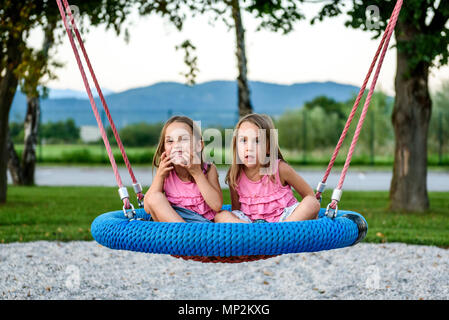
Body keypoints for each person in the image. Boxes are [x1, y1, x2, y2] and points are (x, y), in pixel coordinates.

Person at [214, 113, 320, 223]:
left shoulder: (280, 168)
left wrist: (308, 215)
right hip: (250, 224)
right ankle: (253, 233)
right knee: (220, 216)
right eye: (243, 140)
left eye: (257, 141)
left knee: (312, 202)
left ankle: (281, 232)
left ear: (268, 148)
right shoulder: (235, 175)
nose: (249, 147)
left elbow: (309, 195)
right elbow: (237, 211)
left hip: (285, 219)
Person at [144, 116, 223, 222]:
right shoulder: (166, 172)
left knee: (225, 215)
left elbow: (217, 205)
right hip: (176, 225)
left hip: (203, 225)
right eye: (170, 141)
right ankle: (185, 234)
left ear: (199, 145)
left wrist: (198, 174)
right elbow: (148, 207)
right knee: (154, 197)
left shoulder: (208, 169)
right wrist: (160, 176)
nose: (176, 146)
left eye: (184, 139)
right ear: (164, 148)